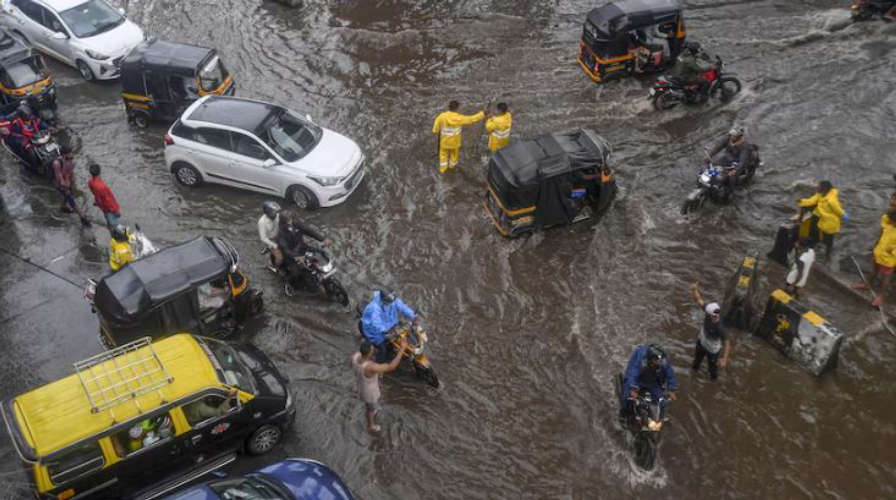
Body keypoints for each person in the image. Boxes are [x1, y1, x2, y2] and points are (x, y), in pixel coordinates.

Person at [351, 338, 407, 432]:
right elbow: (391, 367)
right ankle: (371, 425)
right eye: (372, 350)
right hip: (370, 393)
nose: (374, 351)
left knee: (369, 405)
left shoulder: (355, 357)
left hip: (361, 385)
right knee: (371, 409)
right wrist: (402, 349)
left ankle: (371, 411)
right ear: (368, 353)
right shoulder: (371, 367)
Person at [852, 207, 896, 308]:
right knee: (874, 270)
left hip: (889, 259)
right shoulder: (889, 224)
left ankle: (881, 296)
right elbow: (884, 224)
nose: (890, 222)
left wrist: (893, 251)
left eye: (892, 221)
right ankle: (867, 284)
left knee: (886, 278)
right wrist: (875, 246)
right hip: (879, 253)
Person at [620, 344, 678, 420]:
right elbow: (632, 374)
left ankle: (660, 418)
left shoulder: (663, 362)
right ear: (651, 358)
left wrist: (672, 389)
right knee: (628, 397)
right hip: (638, 381)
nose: (659, 362)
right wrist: (633, 388)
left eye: (660, 360)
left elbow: (671, 374)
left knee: (662, 401)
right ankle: (625, 414)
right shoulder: (641, 361)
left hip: (653, 383)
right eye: (657, 360)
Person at [793, 180, 845, 259]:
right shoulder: (820, 194)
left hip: (830, 221)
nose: (817, 187)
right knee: (814, 229)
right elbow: (811, 201)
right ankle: (813, 243)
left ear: (824, 188)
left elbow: (837, 209)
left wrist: (843, 215)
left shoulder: (831, 200)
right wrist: (802, 201)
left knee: (828, 238)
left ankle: (828, 255)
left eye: (819, 186)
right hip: (821, 214)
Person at [277, 211, 326, 294]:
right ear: (283, 222)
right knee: (296, 273)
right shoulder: (281, 233)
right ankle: (288, 284)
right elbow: (285, 249)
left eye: (291, 219)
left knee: (321, 253)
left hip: (302, 247)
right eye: (288, 220)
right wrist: (296, 256)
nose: (290, 221)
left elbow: (309, 231)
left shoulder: (296, 223)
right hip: (290, 255)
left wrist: (323, 239)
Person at [689, 282, 731, 380]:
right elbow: (699, 300)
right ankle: (693, 375)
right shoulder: (711, 311)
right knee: (696, 363)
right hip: (701, 343)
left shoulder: (720, 328)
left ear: (713, 315)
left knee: (712, 370)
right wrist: (694, 290)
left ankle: (713, 382)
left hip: (712, 350)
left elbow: (727, 343)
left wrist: (724, 360)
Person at [360, 290, 417, 362]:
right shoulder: (374, 308)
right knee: (383, 350)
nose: (393, 303)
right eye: (391, 302)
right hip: (374, 331)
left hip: (390, 323)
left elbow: (402, 307)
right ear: (384, 301)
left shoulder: (392, 299)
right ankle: (379, 364)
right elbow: (377, 324)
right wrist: (387, 331)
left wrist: (413, 316)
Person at [431, 100, 485, 173]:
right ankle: (452, 168)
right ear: (457, 108)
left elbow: (435, 130)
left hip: (444, 143)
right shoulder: (459, 118)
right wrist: (482, 114)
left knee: (443, 158)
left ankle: (443, 171)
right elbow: (472, 119)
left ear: (448, 107)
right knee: (454, 157)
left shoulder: (441, 116)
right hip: (455, 144)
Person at [52, 147, 91, 226]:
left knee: (68, 196)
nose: (71, 154)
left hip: (68, 182)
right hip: (60, 184)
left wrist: (72, 182)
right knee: (71, 199)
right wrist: (65, 187)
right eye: (69, 153)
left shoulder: (70, 160)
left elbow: (70, 172)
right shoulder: (57, 163)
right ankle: (82, 217)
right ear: (64, 155)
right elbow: (59, 177)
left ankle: (62, 208)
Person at [710, 126, 754, 193]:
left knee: (731, 178)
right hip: (727, 158)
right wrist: (710, 155)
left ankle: (730, 193)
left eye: (734, 136)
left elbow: (742, 161)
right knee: (713, 166)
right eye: (731, 135)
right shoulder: (728, 139)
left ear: (739, 137)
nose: (731, 137)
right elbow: (719, 146)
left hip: (738, 163)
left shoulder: (745, 147)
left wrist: (735, 170)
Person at [87, 164, 122, 228]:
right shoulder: (101, 186)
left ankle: (110, 229)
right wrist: (115, 211)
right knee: (115, 226)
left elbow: (95, 194)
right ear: (100, 171)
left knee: (109, 221)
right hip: (109, 209)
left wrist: (97, 202)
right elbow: (108, 201)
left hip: (103, 207)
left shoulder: (90, 182)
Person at [258, 200, 282, 269]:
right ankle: (274, 266)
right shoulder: (262, 222)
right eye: (273, 212)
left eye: (276, 211)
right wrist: (274, 245)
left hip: (280, 236)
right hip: (271, 240)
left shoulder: (278, 215)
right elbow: (263, 238)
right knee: (279, 258)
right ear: (267, 213)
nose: (276, 213)